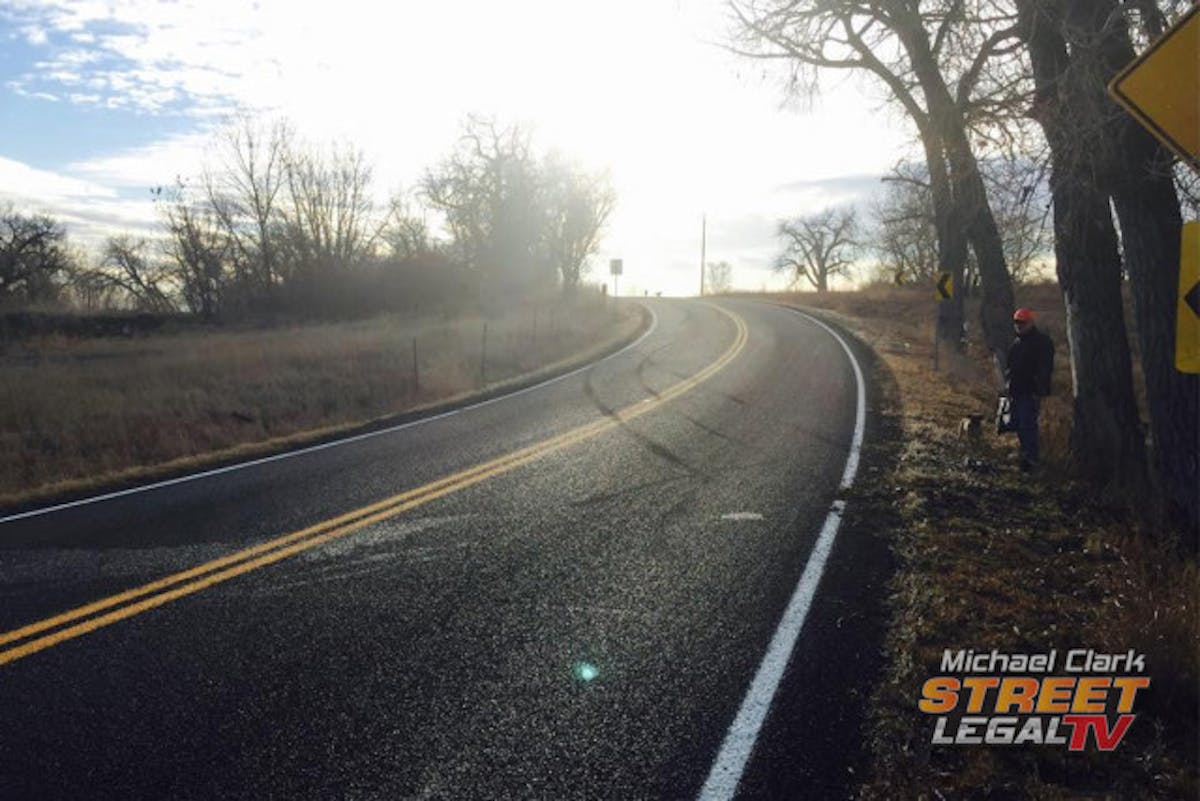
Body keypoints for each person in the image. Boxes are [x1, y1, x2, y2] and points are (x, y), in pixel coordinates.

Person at [1005, 307, 1055, 472]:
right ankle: (1025, 456)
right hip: (1016, 391)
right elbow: (1010, 368)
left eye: (1022, 323)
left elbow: (1045, 368)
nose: (1019, 326)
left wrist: (1039, 389)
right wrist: (1007, 386)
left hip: (1030, 392)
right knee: (1018, 425)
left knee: (1028, 426)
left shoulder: (1042, 342)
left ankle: (1032, 460)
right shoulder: (1016, 343)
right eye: (1017, 322)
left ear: (1031, 323)